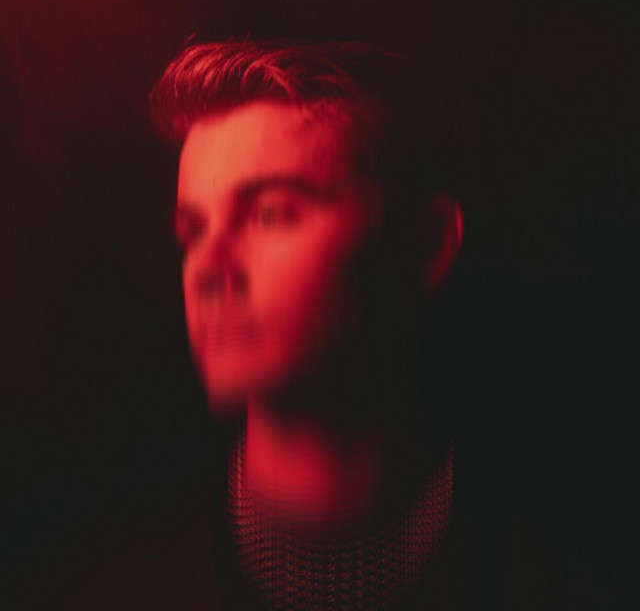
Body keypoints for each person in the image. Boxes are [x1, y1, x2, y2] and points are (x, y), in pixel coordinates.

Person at [147, 40, 562, 611]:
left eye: (270, 213)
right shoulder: (96, 584)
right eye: (193, 230)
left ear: (426, 246)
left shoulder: (566, 578)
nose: (207, 266)